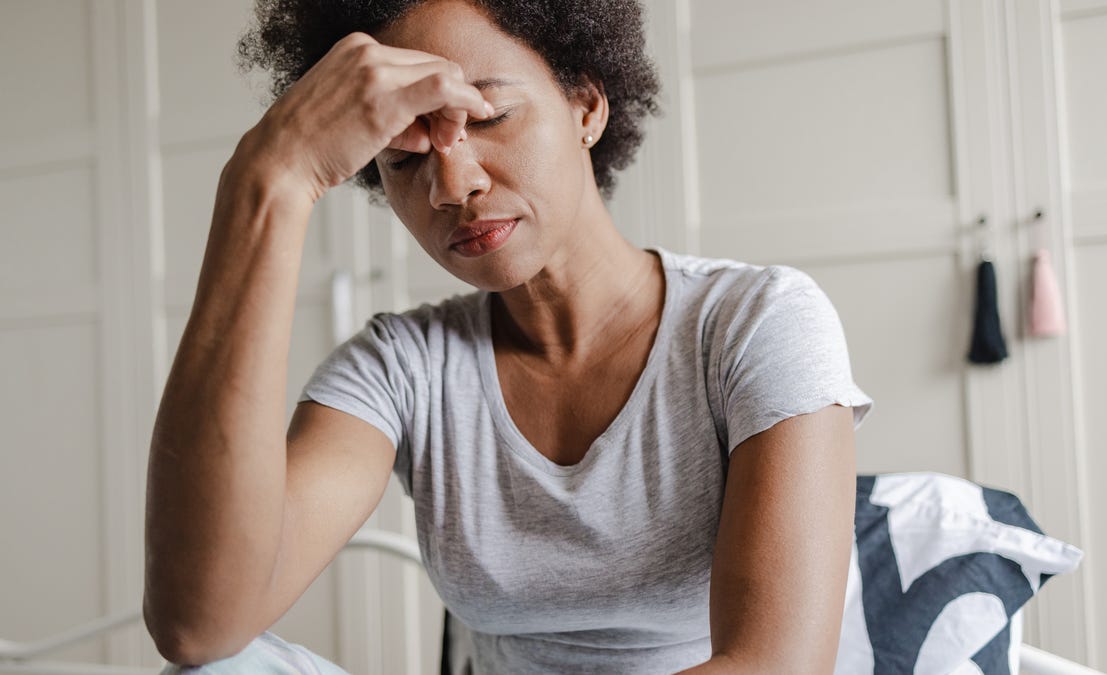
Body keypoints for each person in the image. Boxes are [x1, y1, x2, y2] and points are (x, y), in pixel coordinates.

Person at [144, 0, 875, 673]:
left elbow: (773, 666)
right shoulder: (404, 367)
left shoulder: (757, 321)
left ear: (586, 106)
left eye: (488, 116)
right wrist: (269, 175)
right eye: (404, 157)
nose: (450, 184)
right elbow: (197, 623)